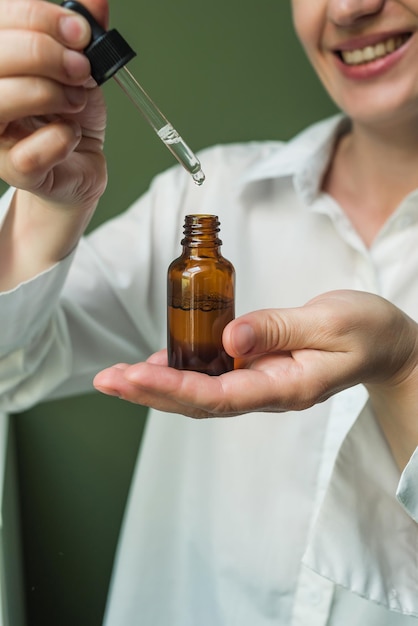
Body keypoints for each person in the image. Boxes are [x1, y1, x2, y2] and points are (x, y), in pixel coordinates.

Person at [0, 0, 418, 623]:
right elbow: (12, 365)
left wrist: (406, 373)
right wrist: (48, 212)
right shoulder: (210, 189)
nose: (351, 7)